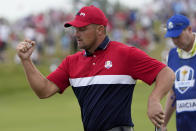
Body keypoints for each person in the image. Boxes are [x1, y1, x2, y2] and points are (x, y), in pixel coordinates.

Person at [16, 5, 175, 131]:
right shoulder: (71, 62)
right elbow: (43, 90)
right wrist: (26, 61)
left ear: (100, 30)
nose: (76, 34)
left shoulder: (125, 54)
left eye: (82, 29)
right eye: (75, 29)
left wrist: (154, 99)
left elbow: (166, 73)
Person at [161, 14, 196, 131]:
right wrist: (163, 123)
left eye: (178, 36)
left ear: (189, 30)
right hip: (183, 126)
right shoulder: (172, 56)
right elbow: (173, 93)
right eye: (172, 37)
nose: (175, 41)